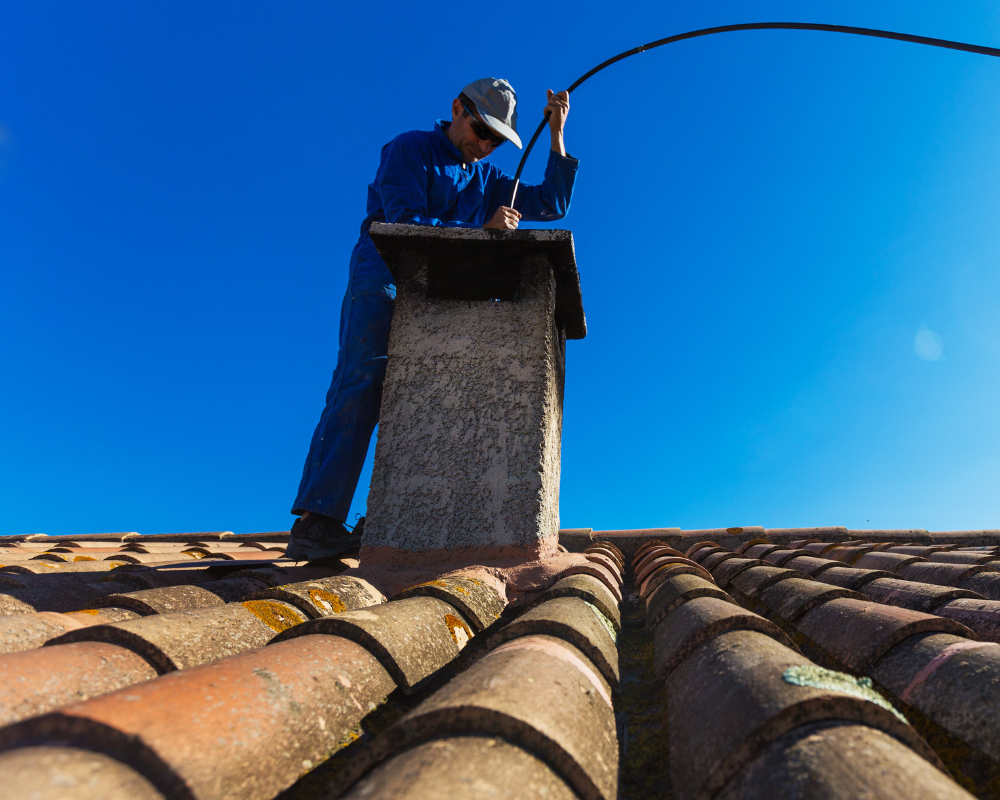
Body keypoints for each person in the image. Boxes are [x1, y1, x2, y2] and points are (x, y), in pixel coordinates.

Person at [286, 77, 579, 560]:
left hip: (437, 295)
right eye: (481, 131)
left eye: (495, 140)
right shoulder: (410, 149)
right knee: (364, 379)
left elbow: (551, 203)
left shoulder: (487, 180)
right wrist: (480, 228)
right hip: (381, 277)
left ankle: (398, 519)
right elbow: (401, 221)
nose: (485, 145)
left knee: (430, 390)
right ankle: (317, 523)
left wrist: (557, 134)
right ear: (457, 108)